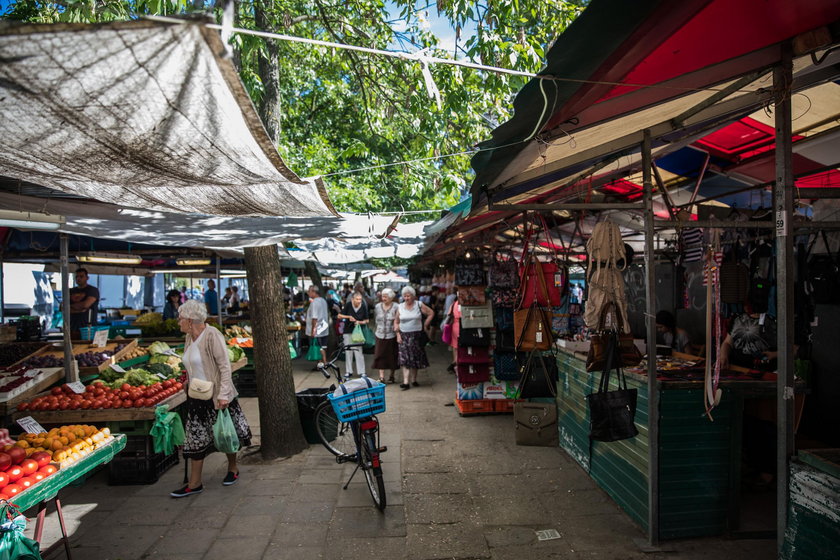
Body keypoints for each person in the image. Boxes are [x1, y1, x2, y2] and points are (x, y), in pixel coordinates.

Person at [170, 300, 251, 498]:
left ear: (190, 320)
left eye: (180, 318)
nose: (178, 322)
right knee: (195, 439)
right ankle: (194, 483)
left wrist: (223, 395)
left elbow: (224, 366)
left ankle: (233, 468)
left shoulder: (212, 335)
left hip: (216, 396)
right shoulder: (190, 338)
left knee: (224, 434)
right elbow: (191, 363)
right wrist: (187, 382)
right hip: (197, 395)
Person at [394, 286, 434, 390]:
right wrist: (398, 334)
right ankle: (406, 382)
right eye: (404, 296)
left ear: (413, 296)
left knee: (415, 358)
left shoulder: (419, 304)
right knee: (404, 359)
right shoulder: (400, 306)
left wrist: (425, 324)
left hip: (416, 336)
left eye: (408, 296)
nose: (406, 298)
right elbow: (396, 321)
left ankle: (414, 380)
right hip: (404, 336)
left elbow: (431, 313)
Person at [337, 292, 369, 377]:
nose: (359, 301)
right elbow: (339, 316)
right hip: (348, 331)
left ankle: (362, 372)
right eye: (357, 299)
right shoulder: (348, 305)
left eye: (360, 299)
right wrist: (348, 317)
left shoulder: (363, 306)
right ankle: (348, 371)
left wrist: (359, 322)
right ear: (352, 299)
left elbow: (367, 320)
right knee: (348, 351)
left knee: (359, 351)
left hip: (358, 331)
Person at [372, 288, 399, 383]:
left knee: (392, 356)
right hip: (379, 334)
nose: (383, 298)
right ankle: (381, 377)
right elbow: (375, 320)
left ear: (391, 298)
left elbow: (398, 321)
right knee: (379, 355)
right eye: (382, 296)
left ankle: (392, 376)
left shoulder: (396, 306)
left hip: (392, 335)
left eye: (386, 297)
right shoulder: (377, 306)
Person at [69, 268, 99, 335]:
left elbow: (85, 305)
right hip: (72, 328)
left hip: (88, 329)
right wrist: (80, 310)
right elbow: (63, 307)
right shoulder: (70, 291)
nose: (78, 278)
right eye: (77, 276)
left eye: (81, 276)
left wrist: (71, 307)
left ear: (87, 278)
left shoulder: (93, 290)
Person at [305, 285, 329, 364]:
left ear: (314, 292)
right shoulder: (323, 300)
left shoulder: (314, 302)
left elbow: (314, 318)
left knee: (318, 347)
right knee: (323, 347)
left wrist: (313, 330)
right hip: (324, 328)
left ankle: (323, 363)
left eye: (309, 291)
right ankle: (323, 362)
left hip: (317, 329)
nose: (308, 293)